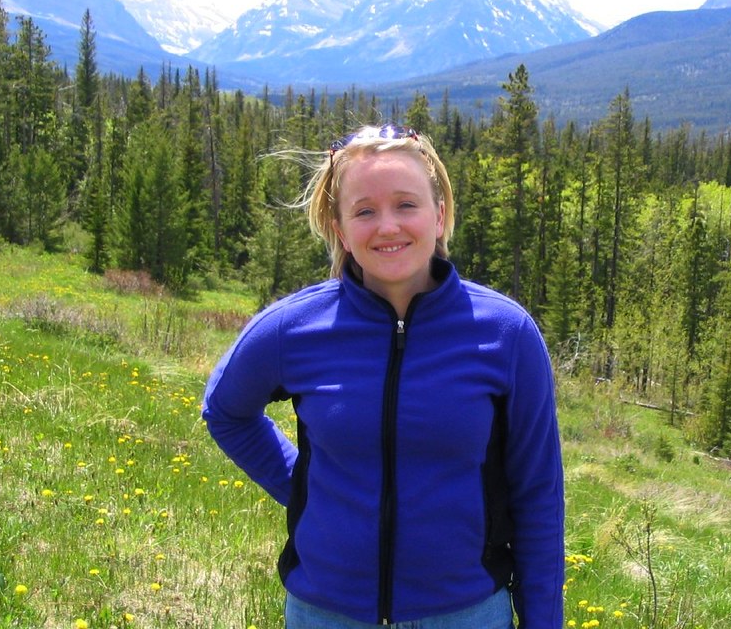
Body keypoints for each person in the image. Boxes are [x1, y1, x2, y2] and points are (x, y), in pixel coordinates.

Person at [202, 124, 564, 628]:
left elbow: (538, 495)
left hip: (465, 614)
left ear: (439, 215)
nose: (387, 226)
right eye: (365, 211)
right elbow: (224, 411)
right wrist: (304, 487)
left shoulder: (506, 334)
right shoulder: (294, 328)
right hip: (326, 614)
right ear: (340, 229)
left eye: (406, 204)